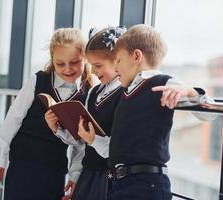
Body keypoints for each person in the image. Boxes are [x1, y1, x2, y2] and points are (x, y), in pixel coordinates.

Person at [79, 24, 215, 200]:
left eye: (118, 60)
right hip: (118, 184)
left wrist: (189, 92)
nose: (117, 68)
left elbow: (210, 114)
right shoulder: (125, 94)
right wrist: (92, 139)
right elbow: (117, 150)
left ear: (136, 56)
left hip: (146, 186)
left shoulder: (162, 83)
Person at [0, 28, 92, 200]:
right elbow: (13, 119)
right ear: (52, 59)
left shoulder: (88, 94)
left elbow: (81, 145)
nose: (67, 69)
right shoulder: (38, 81)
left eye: (74, 62)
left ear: (85, 59)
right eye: (60, 64)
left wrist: (75, 177)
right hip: (22, 163)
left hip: (55, 169)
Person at [45, 26, 126, 200]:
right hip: (88, 174)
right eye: (92, 66)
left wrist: (92, 139)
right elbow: (81, 142)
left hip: (109, 178)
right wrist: (57, 128)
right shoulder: (94, 93)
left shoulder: (125, 94)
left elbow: (122, 147)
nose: (94, 72)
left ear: (118, 61)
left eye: (98, 66)